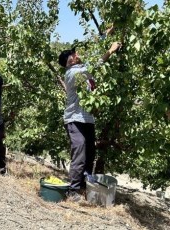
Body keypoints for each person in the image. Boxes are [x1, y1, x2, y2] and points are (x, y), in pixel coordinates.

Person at [58, 41, 121, 202]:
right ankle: (73, 191)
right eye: (74, 54)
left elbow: (93, 56)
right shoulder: (72, 73)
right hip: (75, 119)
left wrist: (108, 33)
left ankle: (85, 188)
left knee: (90, 154)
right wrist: (110, 51)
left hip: (87, 119)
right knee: (79, 153)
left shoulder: (83, 72)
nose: (77, 55)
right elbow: (94, 66)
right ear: (69, 60)